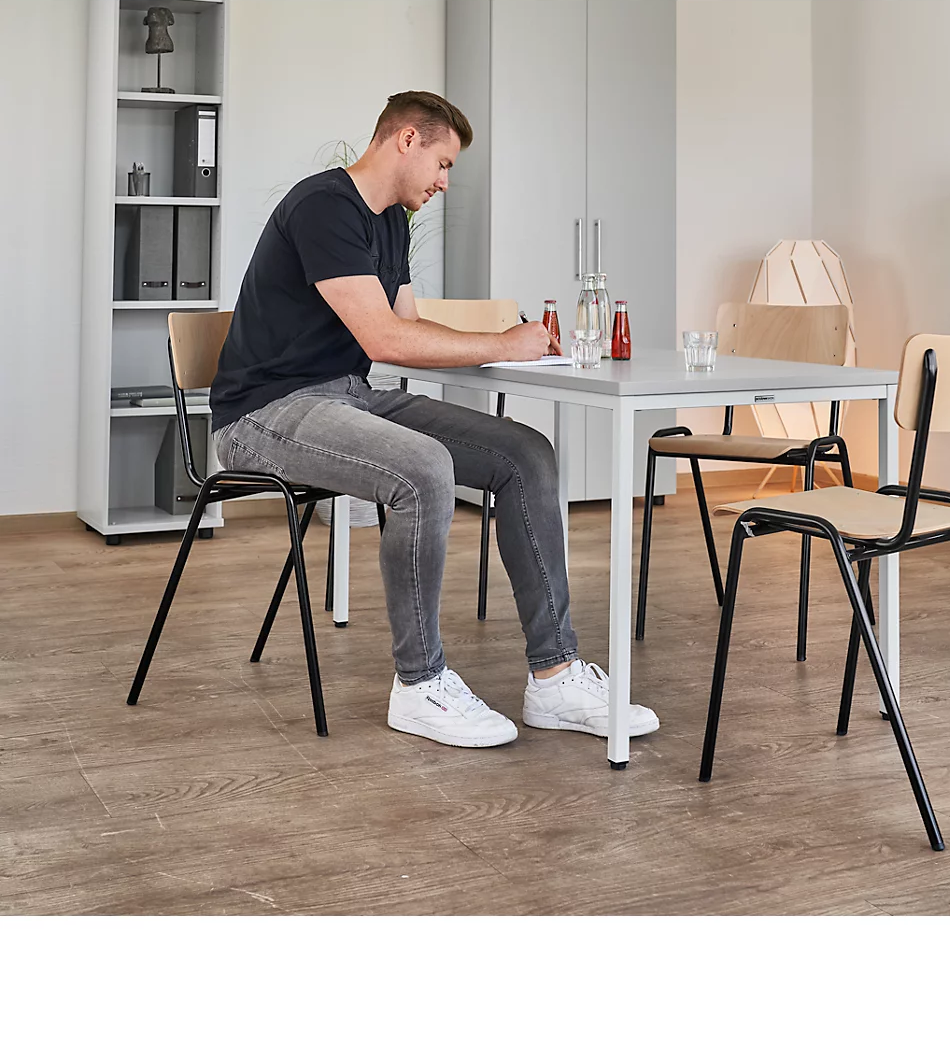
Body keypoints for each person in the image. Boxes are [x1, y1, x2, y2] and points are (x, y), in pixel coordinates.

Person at [210, 90, 659, 749]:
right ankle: (419, 686)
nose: (445, 182)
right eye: (443, 164)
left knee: (525, 454)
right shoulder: (323, 207)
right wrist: (506, 345)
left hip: (347, 396)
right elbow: (385, 341)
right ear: (407, 141)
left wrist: (506, 339)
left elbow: (410, 325)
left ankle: (556, 676)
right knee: (422, 468)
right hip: (266, 411)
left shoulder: (391, 219)